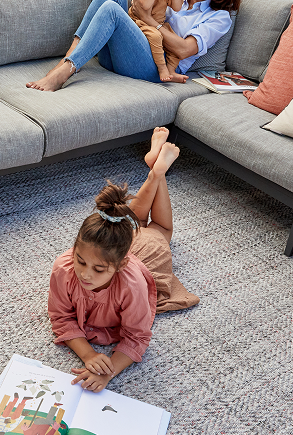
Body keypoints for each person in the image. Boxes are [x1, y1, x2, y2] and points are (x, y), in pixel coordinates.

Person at [47, 128, 200, 392]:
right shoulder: (64, 266)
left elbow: (137, 337)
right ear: (74, 249)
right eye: (80, 261)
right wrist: (89, 355)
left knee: (160, 230)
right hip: (119, 239)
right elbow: (61, 318)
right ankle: (155, 168)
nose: (85, 274)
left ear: (119, 266)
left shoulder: (131, 285)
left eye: (98, 269)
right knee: (132, 221)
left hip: (148, 254)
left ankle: (157, 172)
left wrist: (110, 372)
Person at [27, 0, 246, 92]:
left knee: (112, 10)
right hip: (123, 55)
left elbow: (184, 49)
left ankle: (66, 71)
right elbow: (142, 6)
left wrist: (149, 20)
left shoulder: (219, 18)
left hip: (153, 68)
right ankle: (68, 58)